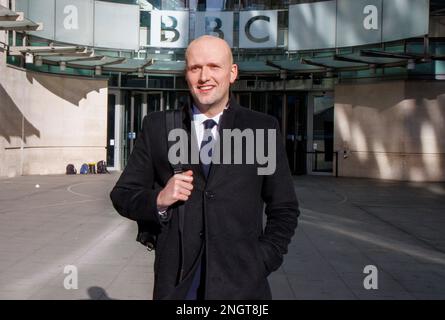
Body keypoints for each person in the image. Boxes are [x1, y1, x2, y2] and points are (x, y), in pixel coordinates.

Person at [110, 35, 299, 300]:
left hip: (242, 285)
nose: (204, 77)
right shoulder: (158, 126)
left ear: (232, 73)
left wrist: (264, 258)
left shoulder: (262, 128)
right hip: (178, 283)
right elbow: (123, 194)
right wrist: (159, 199)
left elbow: (285, 207)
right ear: (186, 74)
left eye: (214, 66)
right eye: (195, 68)